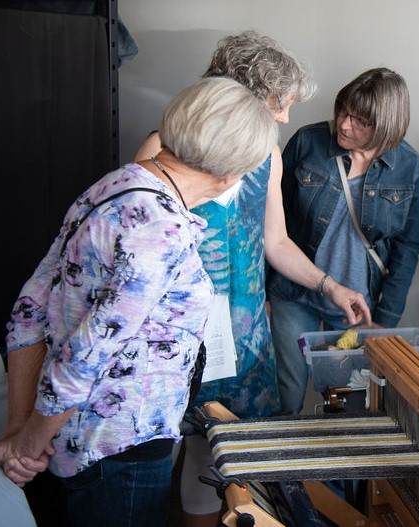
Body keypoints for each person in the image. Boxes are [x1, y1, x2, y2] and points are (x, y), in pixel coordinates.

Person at [0, 76, 277, 527]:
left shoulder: (116, 185)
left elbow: (29, 309)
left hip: (76, 443)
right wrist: (25, 442)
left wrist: (24, 429)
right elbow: (84, 354)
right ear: (230, 174)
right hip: (121, 449)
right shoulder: (163, 230)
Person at [133, 31, 372, 527]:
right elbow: (137, 254)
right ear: (238, 94)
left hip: (243, 335)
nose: (285, 118)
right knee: (158, 453)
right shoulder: (164, 147)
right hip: (176, 332)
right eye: (277, 104)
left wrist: (331, 285)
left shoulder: (269, 153)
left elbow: (277, 243)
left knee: (224, 454)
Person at [268, 67, 419, 415]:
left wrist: (385, 317)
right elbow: (270, 223)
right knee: (287, 391)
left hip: (356, 307)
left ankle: (340, 472)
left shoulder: (408, 165)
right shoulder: (307, 143)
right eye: (343, 111)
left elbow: (409, 246)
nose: (343, 124)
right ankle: (283, 467)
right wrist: (263, 291)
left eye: (359, 121)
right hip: (295, 293)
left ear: (385, 126)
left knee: (348, 400)